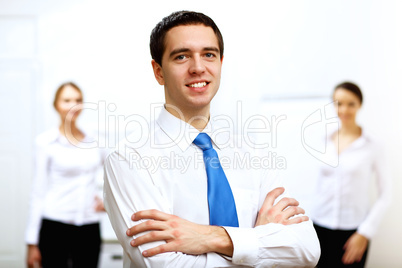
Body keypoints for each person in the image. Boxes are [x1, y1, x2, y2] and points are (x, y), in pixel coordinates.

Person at [103, 11, 320, 267]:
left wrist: (209, 237)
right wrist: (258, 243)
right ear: (158, 71)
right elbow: (163, 264)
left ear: (220, 63)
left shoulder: (255, 154)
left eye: (209, 54)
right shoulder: (129, 160)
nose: (198, 67)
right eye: (181, 56)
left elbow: (307, 250)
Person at [26, 82, 106, 268]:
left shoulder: (95, 140)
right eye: (67, 100)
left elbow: (119, 173)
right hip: (54, 225)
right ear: (56, 105)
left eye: (78, 100)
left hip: (89, 226)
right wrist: (31, 243)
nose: (73, 105)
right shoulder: (45, 143)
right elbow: (37, 192)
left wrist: (109, 201)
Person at [311, 82, 392, 267]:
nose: (344, 109)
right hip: (318, 228)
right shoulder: (322, 139)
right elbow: (316, 185)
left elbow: (386, 195)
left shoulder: (373, 145)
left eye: (351, 104)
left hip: (354, 232)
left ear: (360, 105)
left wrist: (365, 232)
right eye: (339, 103)